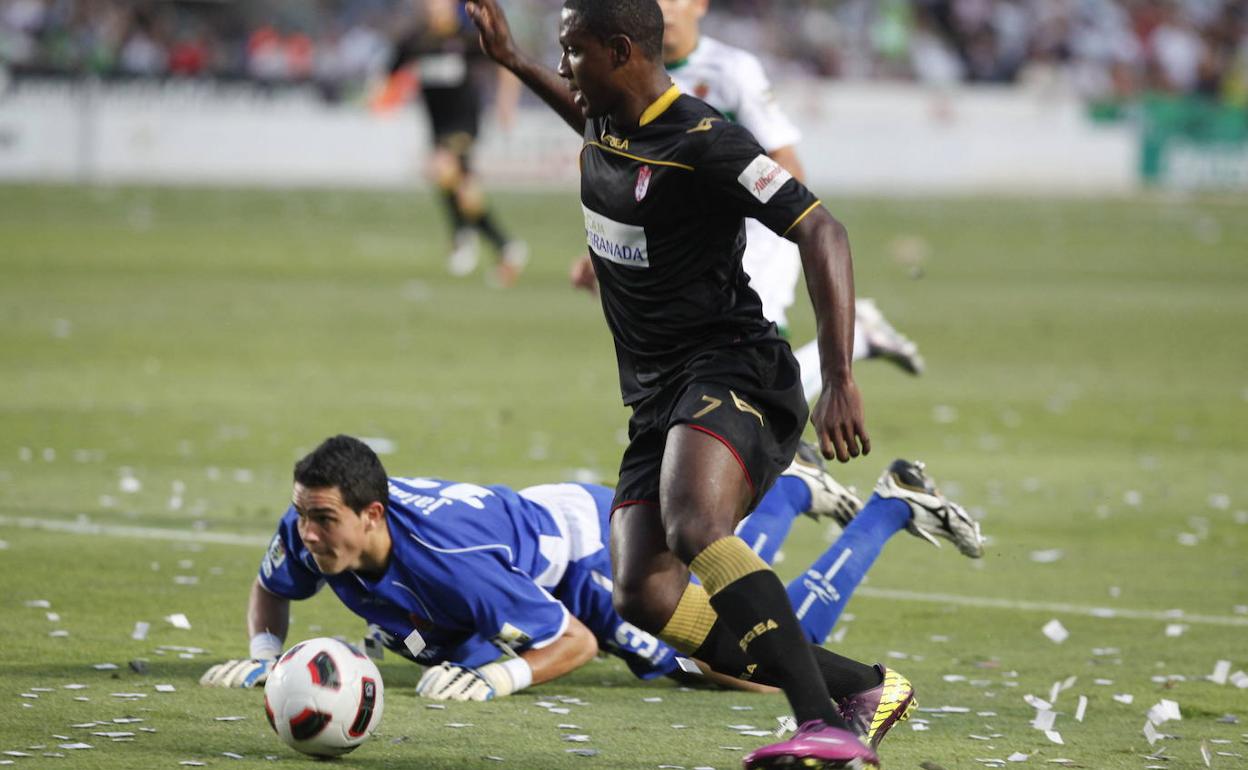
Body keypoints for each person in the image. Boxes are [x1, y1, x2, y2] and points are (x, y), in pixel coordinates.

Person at [460, 2, 982, 766]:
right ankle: (863, 688)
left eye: (572, 52)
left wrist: (838, 375)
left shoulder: (706, 141)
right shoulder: (609, 121)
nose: (565, 67)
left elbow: (822, 229)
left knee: (696, 525)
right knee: (642, 593)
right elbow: (582, 117)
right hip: (655, 392)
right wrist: (510, 61)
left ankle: (823, 727)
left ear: (619, 51)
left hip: (733, 367)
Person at [202, 435, 980, 726]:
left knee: (765, 650)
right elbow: (273, 581)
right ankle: (791, 488)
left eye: (322, 522)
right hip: (529, 544)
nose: (306, 535)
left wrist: (506, 676)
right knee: (727, 611)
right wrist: (269, 652)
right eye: (304, 519)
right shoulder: (313, 525)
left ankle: (884, 504)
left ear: (371, 515)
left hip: (586, 557)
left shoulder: (453, 563)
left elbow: (568, 639)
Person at [571, 0, 925, 391]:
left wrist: (769, 210)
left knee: (746, 369)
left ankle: (845, 358)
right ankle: (854, 346)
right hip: (691, 242)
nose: (666, 8)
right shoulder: (629, 79)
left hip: (755, 237)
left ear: (700, 5)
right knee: (733, 380)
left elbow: (786, 160)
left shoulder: (733, 70)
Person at [373, 0, 528, 286]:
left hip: (464, 124)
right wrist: (380, 98)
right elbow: (388, 75)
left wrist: (506, 103)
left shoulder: (466, 37)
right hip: (437, 128)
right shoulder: (416, 41)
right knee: (464, 191)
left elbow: (507, 62)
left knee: (442, 170)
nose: (432, 7)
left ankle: (463, 236)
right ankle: (504, 246)